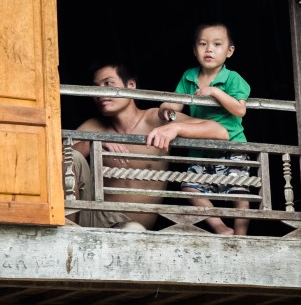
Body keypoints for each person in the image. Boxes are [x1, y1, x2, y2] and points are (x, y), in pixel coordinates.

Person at [69, 61, 229, 231]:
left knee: (133, 229)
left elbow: (220, 132)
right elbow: (59, 157)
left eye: (108, 84)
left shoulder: (155, 118)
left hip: (134, 230)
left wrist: (175, 127)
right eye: (96, 87)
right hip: (93, 221)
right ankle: (65, 227)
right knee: (72, 155)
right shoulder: (93, 127)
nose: (101, 93)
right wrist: (94, 141)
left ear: (130, 86)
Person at [158, 23, 252, 235]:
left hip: (231, 144)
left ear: (229, 51)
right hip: (201, 146)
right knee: (191, 188)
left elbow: (239, 110)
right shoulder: (189, 76)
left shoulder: (232, 78)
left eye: (217, 44)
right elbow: (176, 104)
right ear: (194, 50)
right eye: (203, 44)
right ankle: (220, 228)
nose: (209, 49)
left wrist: (215, 93)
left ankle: (241, 234)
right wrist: (166, 109)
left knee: (239, 191)